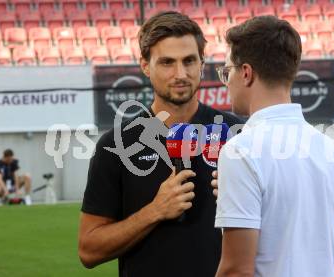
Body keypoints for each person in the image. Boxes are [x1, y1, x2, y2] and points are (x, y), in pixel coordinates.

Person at [78, 11, 244, 277]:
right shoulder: (115, 145)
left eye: (189, 61)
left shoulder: (237, 133)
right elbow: (88, 250)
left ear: (202, 62)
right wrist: (155, 211)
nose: (181, 74)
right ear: (145, 65)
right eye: (167, 62)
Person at [213, 16, 334, 277]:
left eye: (227, 71)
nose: (227, 81)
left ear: (246, 73)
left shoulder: (240, 151)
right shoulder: (332, 151)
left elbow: (236, 271)